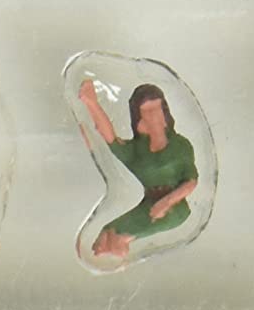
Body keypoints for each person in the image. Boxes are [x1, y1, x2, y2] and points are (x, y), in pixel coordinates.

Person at [77, 80, 198, 259]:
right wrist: (92, 103)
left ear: (165, 112)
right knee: (107, 232)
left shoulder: (180, 145)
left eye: (157, 109)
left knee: (116, 236)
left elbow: (191, 182)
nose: (154, 115)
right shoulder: (136, 150)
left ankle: (120, 244)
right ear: (140, 118)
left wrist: (166, 202)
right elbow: (110, 138)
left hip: (174, 207)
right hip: (149, 205)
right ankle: (115, 246)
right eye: (148, 111)